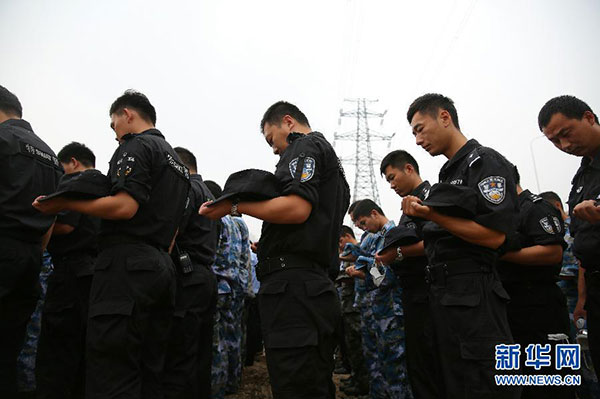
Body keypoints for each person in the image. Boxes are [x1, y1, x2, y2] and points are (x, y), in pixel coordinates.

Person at [33, 90, 191, 399]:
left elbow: (125, 206)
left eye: (113, 123)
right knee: (149, 367)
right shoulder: (178, 164)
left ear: (127, 114)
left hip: (126, 265)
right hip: (161, 266)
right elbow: (173, 233)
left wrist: (67, 202)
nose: (115, 132)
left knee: (113, 368)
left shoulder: (136, 146)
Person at [200, 101, 350, 399]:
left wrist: (233, 205)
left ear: (288, 122)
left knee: (295, 384)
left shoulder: (304, 146)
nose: (274, 150)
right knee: (312, 383)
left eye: (272, 139)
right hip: (311, 286)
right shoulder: (332, 165)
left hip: (295, 290)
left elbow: (296, 208)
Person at [403, 93, 519, 398]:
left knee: (483, 383)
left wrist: (433, 215)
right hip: (447, 295)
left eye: (419, 128)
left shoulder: (483, 161)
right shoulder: (449, 172)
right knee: (456, 383)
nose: (417, 140)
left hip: (474, 293)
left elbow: (495, 236)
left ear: (444, 117)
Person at [0, 85, 62, 398]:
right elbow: (51, 216)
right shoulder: (51, 155)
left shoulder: (3, 140)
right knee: (9, 351)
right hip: (30, 257)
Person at [539, 95, 600, 379]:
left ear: (588, 118)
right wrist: (582, 300)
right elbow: (585, 247)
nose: (564, 146)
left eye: (566, 134)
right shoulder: (582, 176)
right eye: (554, 142)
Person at [498, 168, 573, 399]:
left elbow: (552, 253)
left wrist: (500, 254)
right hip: (515, 310)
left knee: (556, 382)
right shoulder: (505, 215)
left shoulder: (535, 207)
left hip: (543, 307)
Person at [36, 142, 101, 399]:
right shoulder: (103, 185)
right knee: (84, 350)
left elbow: (65, 226)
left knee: (57, 351)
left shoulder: (74, 183)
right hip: (94, 274)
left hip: (70, 274)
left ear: (73, 162)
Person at [376, 149, 441, 398]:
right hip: (413, 296)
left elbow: (436, 242)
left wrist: (398, 254)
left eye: (393, 177)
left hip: (429, 295)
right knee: (419, 368)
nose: (392, 185)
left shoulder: (431, 198)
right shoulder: (407, 207)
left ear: (409, 169)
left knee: (430, 368)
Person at [161, 147, 218, 399]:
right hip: (205, 276)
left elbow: (171, 234)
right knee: (199, 355)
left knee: (179, 354)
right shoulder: (207, 193)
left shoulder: (186, 189)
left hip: (188, 277)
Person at [351, 199, 412, 399]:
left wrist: (366, 269)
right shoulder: (378, 236)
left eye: (362, 223)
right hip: (381, 309)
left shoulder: (392, 236)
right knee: (384, 363)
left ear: (374, 213)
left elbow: (387, 276)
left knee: (397, 369)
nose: (362, 229)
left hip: (392, 310)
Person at [337, 226, 369, 397]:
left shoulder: (360, 251)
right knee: (352, 347)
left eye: (341, 241)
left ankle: (363, 383)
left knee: (359, 347)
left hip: (358, 306)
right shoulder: (349, 254)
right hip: (350, 305)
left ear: (348, 236)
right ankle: (356, 378)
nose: (340, 246)